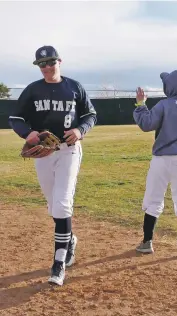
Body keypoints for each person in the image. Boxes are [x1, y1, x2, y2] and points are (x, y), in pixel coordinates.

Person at [9, 45, 97, 285]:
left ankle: (58, 264)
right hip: (44, 153)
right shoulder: (33, 90)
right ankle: (69, 240)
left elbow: (90, 115)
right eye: (42, 64)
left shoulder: (74, 87)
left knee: (62, 203)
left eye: (50, 62)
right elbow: (15, 118)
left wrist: (80, 130)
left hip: (69, 151)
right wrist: (28, 134)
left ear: (60, 61)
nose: (47, 68)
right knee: (53, 205)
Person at [133, 69, 177, 257]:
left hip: (161, 160)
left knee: (153, 199)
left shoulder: (163, 105)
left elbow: (146, 124)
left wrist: (141, 104)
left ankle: (147, 242)